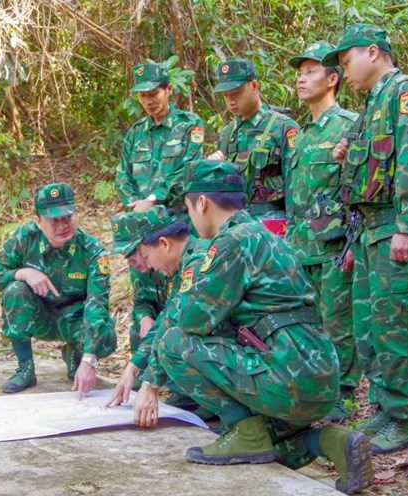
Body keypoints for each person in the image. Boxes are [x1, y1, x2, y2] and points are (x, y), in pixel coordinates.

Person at [129, 160, 373, 494]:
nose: (190, 218)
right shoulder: (266, 236)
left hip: (287, 375)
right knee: (271, 446)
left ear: (201, 203)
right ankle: (329, 441)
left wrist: (151, 380)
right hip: (319, 377)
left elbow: (191, 321)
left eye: (188, 208)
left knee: (173, 342)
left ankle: (244, 430)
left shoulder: (230, 244)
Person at [321, 23, 408, 454]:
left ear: (373, 52)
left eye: (346, 60)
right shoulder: (373, 103)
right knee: (368, 327)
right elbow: (371, 166)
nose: (342, 71)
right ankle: (383, 407)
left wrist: (407, 227)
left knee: (396, 324)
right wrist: (346, 152)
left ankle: (401, 418)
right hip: (369, 231)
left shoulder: (407, 90)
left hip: (394, 228)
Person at [285, 41, 361, 421]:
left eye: (311, 71)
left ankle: (343, 395)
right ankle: (315, 392)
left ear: (333, 79)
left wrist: (352, 242)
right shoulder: (300, 133)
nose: (301, 78)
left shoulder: (349, 126)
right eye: (299, 72)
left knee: (338, 323)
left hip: (334, 244)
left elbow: (359, 188)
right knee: (308, 323)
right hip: (301, 245)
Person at [0, 183, 116, 397]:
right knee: (15, 290)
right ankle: (25, 369)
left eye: (67, 217)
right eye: (54, 220)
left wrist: (89, 359)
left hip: (74, 319)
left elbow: (97, 305)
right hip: (40, 316)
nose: (63, 225)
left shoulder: (92, 251)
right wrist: (23, 273)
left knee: (106, 333)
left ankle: (75, 354)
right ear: (38, 220)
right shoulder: (25, 239)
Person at [115, 61, 205, 350]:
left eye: (154, 92)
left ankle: (177, 358)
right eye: (142, 95)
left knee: (181, 292)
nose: (149, 100)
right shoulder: (135, 134)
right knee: (144, 293)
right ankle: (143, 358)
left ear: (168, 89)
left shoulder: (189, 126)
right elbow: (122, 176)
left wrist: (153, 200)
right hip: (141, 230)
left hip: (176, 228)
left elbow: (189, 172)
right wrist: (135, 204)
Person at [105, 206, 206, 408]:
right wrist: (133, 368)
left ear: (163, 244)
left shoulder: (197, 263)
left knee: (174, 343)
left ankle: (236, 421)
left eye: (145, 256)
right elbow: (166, 316)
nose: (148, 265)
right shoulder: (184, 263)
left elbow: (172, 323)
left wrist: (148, 383)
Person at [209, 58, 298, 221]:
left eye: (236, 93)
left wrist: (292, 232)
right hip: (234, 224)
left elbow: (296, 188)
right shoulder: (227, 133)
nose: (231, 101)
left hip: (270, 225)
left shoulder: (281, 127)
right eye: (226, 95)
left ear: (254, 86)